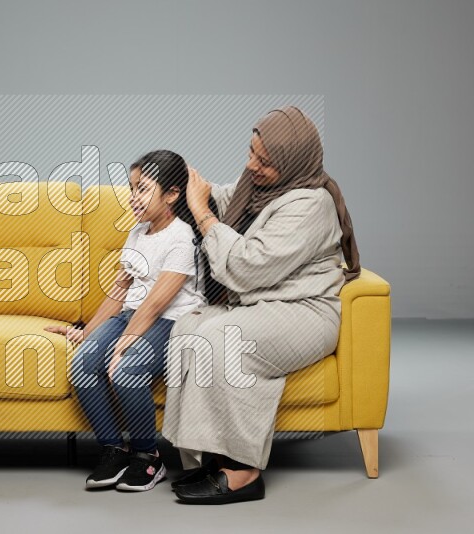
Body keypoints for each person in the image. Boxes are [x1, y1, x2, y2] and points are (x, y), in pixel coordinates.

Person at [162, 106, 361, 505]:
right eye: (251, 153)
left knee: (224, 339)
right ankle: (210, 454)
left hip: (304, 309)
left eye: (264, 161)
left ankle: (243, 472)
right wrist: (182, 181)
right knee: (188, 329)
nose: (252, 165)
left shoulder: (311, 204)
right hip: (261, 304)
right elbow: (223, 198)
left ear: (291, 162)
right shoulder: (262, 184)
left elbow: (247, 266)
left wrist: (201, 214)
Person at [45, 150, 207, 492]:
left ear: (172, 195)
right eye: (132, 188)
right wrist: (85, 332)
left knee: (127, 369)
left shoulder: (181, 237)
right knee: (83, 365)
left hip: (171, 321)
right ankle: (113, 450)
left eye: (143, 188)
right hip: (134, 315)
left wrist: (123, 345)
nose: (134, 197)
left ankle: (148, 457)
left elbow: (157, 302)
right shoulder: (137, 234)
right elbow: (121, 294)